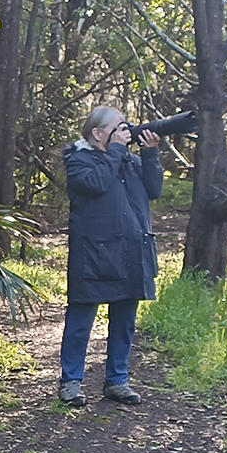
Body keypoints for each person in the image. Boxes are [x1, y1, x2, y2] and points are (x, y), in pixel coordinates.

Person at [59, 105, 163, 407]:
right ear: (97, 132)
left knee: (124, 321)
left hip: (131, 251)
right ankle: (71, 383)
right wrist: (117, 150)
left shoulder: (128, 161)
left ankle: (117, 380)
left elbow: (153, 190)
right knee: (80, 322)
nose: (125, 132)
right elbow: (97, 183)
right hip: (93, 255)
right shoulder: (79, 162)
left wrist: (151, 154)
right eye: (118, 127)